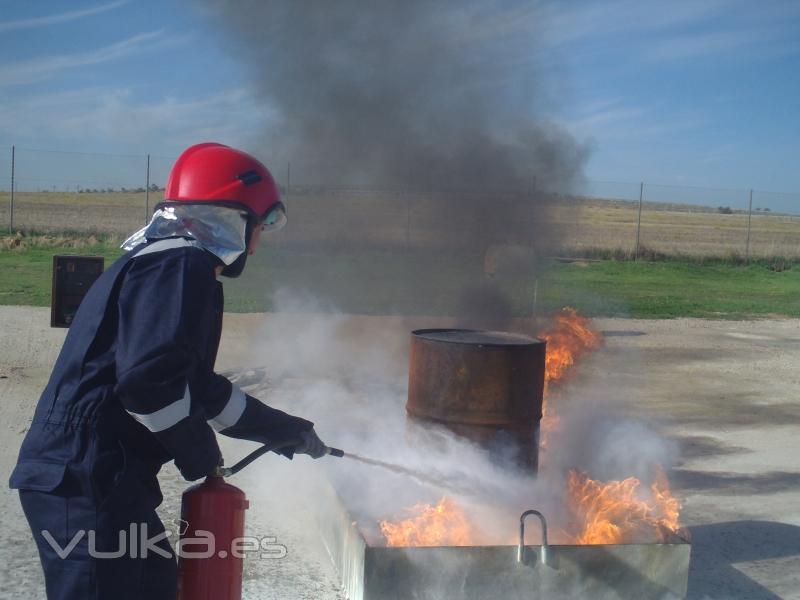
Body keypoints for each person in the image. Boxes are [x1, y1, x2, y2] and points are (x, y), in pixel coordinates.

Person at [9, 143, 328, 599]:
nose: (258, 244)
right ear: (235, 218)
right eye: (264, 225)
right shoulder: (179, 264)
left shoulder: (169, 262)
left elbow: (195, 386)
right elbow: (147, 383)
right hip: (84, 476)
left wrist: (280, 429)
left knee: (157, 587)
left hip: (110, 477)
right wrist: (196, 448)